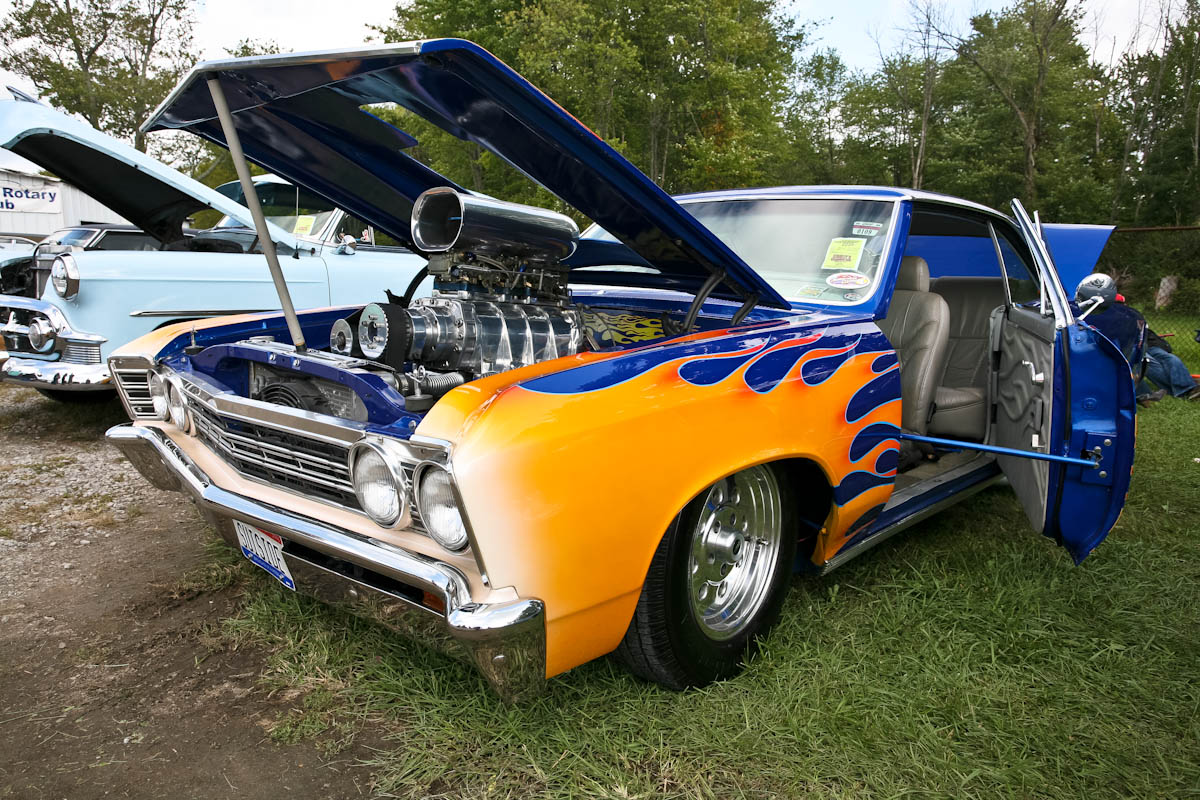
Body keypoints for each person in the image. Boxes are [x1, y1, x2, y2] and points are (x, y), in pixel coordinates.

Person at [1076, 273, 1199, 404]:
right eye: (1116, 304)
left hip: (1150, 345)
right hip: (1133, 348)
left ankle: (1188, 388)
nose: (1119, 308)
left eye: (1121, 304)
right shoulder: (1098, 318)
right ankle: (1174, 391)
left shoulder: (1131, 317)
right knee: (1147, 362)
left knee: (1170, 359)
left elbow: (1148, 335)